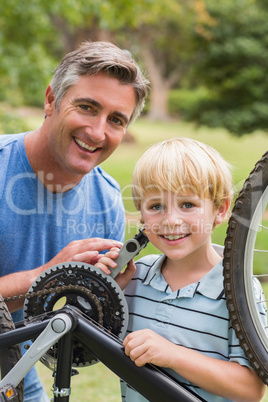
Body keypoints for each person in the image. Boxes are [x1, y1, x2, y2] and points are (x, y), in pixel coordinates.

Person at [0, 41, 149, 402]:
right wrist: (46, 277)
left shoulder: (107, 200)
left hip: (14, 361)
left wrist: (102, 291)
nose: (98, 132)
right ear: (51, 100)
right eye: (87, 107)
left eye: (116, 120)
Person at [96, 137, 266, 402]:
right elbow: (86, 349)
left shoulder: (238, 289)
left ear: (220, 210)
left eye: (187, 205)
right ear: (141, 214)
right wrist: (104, 293)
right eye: (156, 207)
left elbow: (251, 390)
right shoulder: (133, 279)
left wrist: (173, 355)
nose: (171, 220)